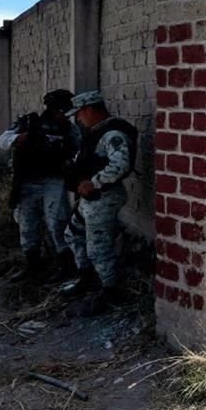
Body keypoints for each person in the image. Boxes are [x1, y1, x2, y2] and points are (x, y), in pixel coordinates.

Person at [60, 91, 138, 315]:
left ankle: (110, 291)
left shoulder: (112, 133)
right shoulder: (97, 132)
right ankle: (87, 279)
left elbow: (120, 165)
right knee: (72, 234)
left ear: (90, 110)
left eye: (80, 115)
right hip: (91, 199)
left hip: (103, 197)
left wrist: (94, 182)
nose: (79, 120)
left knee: (98, 248)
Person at [0, 89, 78, 282]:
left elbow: (78, 149)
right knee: (26, 224)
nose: (63, 114)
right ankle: (33, 266)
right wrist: (20, 138)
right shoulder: (28, 122)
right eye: (61, 110)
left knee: (57, 222)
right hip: (27, 182)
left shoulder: (68, 128)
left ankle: (65, 266)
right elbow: (2, 141)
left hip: (54, 181)